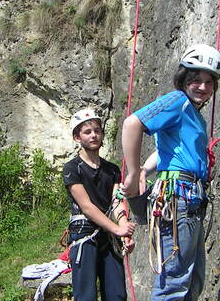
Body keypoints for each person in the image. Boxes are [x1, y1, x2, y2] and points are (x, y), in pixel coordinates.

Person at [120, 44, 220, 301]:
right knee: (174, 283)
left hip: (190, 199)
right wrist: (133, 174)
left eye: (209, 82)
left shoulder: (193, 114)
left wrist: (144, 168)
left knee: (193, 281)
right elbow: (133, 123)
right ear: (184, 80)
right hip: (178, 199)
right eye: (196, 80)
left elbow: (168, 149)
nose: (202, 86)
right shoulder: (177, 100)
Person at [63, 109, 136, 301]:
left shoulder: (112, 169)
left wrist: (124, 229)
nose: (94, 135)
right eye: (87, 132)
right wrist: (117, 230)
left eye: (97, 130)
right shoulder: (72, 168)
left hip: (108, 236)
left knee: (117, 295)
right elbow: (86, 206)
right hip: (84, 234)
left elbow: (117, 201)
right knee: (86, 296)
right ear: (77, 137)